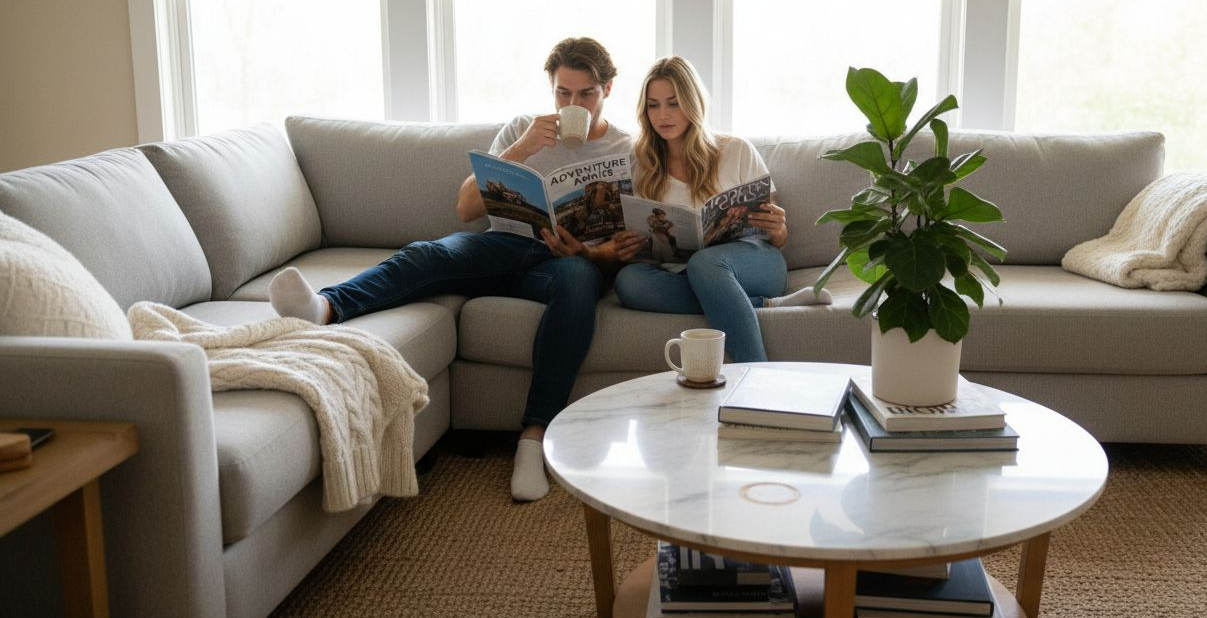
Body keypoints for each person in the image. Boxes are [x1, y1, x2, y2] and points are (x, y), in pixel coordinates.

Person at [267, 37, 644, 502]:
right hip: (502, 245)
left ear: (608, 88)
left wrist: (588, 253)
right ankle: (325, 307)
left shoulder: (627, 148)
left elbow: (624, 244)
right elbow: (466, 208)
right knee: (430, 253)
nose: (572, 104)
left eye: (585, 94)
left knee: (579, 284)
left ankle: (532, 437)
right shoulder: (522, 131)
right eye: (563, 93)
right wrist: (522, 150)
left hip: (566, 262)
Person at [613, 56, 830, 364]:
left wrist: (778, 228)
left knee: (706, 263)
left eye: (674, 103)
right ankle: (760, 305)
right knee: (629, 281)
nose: (663, 115)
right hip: (683, 272)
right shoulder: (642, 165)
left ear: (693, 102)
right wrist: (632, 246)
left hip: (754, 263)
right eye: (653, 105)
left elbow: (778, 240)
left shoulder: (736, 149)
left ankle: (755, 375)